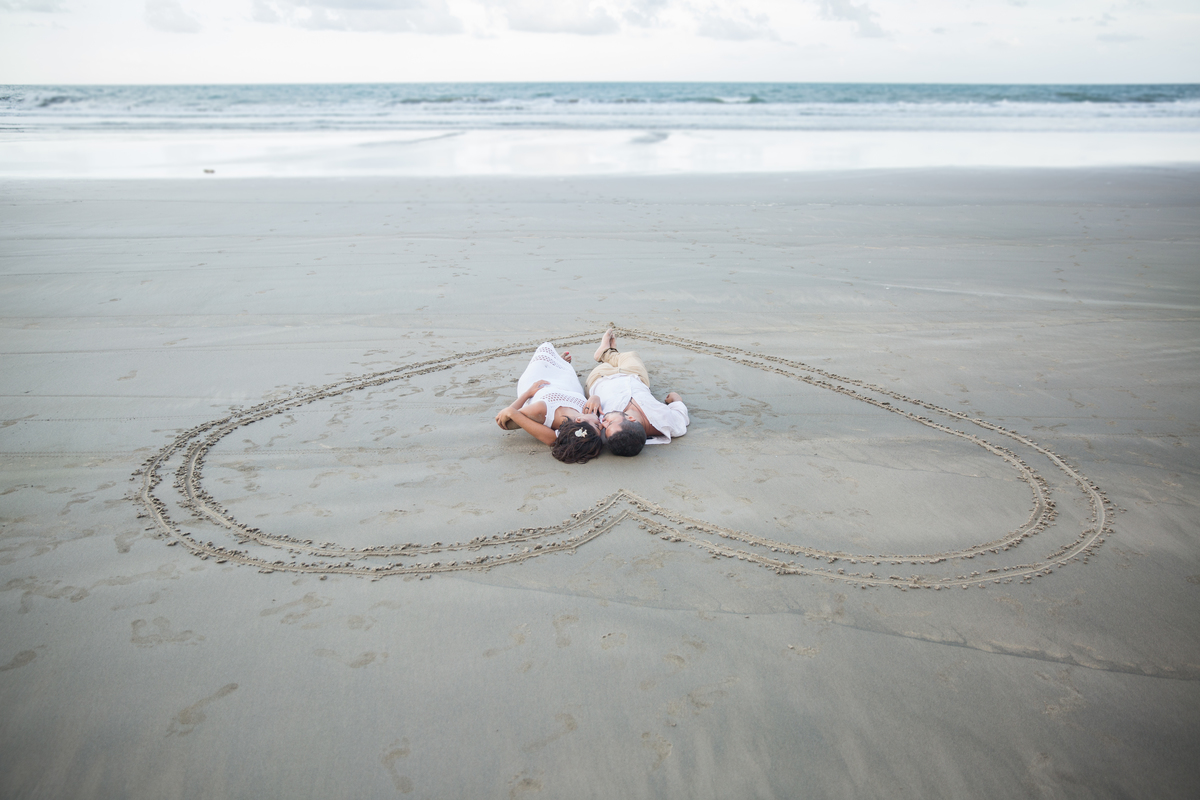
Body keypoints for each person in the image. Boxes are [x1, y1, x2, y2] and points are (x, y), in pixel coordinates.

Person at [582, 329, 689, 457]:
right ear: (631, 418)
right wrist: (676, 399)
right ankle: (608, 353)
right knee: (632, 355)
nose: (602, 424)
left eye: (606, 427)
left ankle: (607, 354)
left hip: (600, 377)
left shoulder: (603, 428)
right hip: (635, 376)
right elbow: (681, 415)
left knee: (606, 365)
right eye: (609, 423)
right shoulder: (668, 423)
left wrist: (594, 397)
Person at [495, 342, 604, 464]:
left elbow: (504, 419)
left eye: (596, 425)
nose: (601, 424)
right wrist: (595, 397)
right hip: (567, 383)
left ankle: (555, 363)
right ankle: (560, 363)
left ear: (579, 421)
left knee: (546, 347)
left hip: (539, 383)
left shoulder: (542, 412)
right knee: (563, 366)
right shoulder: (590, 412)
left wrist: (528, 393)